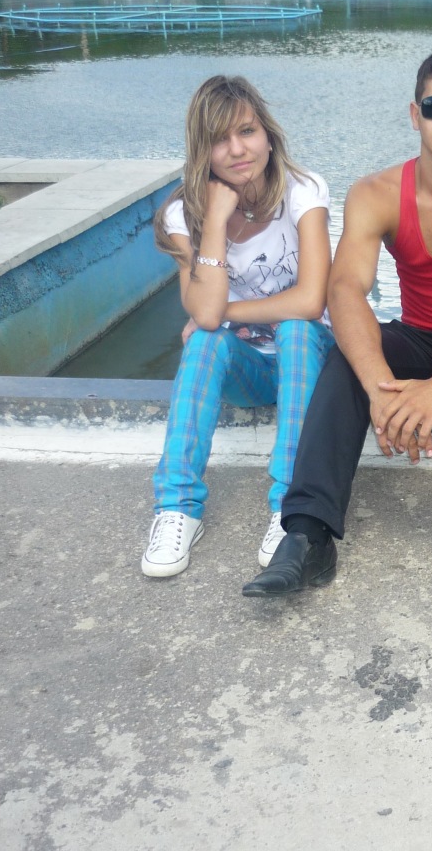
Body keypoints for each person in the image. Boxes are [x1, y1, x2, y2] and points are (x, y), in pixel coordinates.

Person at [242, 44, 432, 597]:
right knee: (350, 353)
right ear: (415, 114)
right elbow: (344, 288)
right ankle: (308, 533)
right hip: (418, 338)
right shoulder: (375, 193)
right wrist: (379, 388)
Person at [142, 75, 333, 578]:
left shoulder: (303, 192)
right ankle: (177, 509)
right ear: (202, 150)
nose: (237, 149)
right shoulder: (184, 213)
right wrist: (214, 222)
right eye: (219, 139)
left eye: (246, 131)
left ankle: (289, 507)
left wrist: (224, 310)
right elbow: (205, 319)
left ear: (267, 135)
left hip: (310, 359)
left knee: (295, 329)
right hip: (251, 371)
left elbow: (311, 300)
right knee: (205, 342)